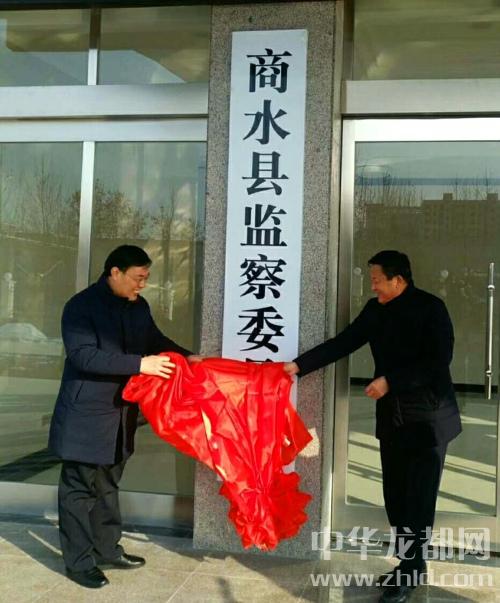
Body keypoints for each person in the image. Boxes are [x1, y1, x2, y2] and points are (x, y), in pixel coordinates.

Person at [284, 250, 461, 603]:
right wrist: (298, 366)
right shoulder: (375, 309)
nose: (373, 286)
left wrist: (390, 381)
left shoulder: (431, 308)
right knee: (395, 497)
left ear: (399, 280)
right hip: (393, 418)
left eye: (378, 280)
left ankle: (411, 569)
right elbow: (344, 342)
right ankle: (411, 563)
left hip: (428, 419)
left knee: (418, 500)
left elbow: (438, 361)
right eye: (372, 280)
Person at [48, 245, 201, 589]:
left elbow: (154, 339)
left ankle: (107, 549)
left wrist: (187, 357)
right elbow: (84, 356)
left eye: (146, 278)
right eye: (138, 278)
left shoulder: (138, 306)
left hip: (121, 414)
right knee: (78, 490)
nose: (142, 285)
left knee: (108, 485)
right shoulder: (81, 307)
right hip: (86, 415)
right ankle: (79, 562)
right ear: (114, 272)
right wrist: (140, 364)